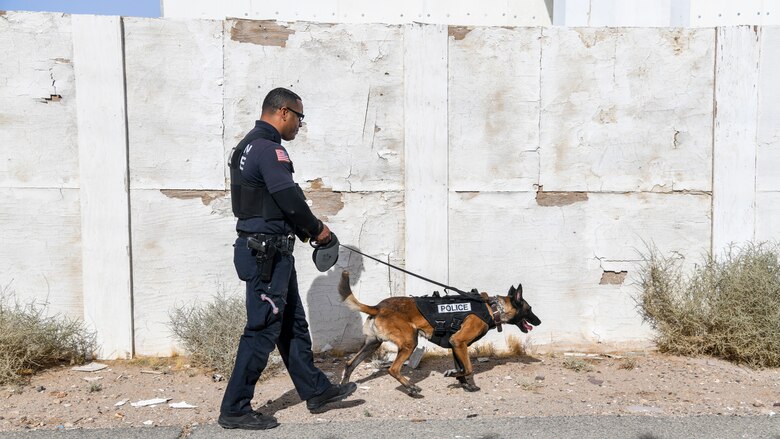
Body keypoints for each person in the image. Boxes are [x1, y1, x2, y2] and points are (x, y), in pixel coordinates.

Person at [219, 87, 356, 430]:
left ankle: (316, 390)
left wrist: (302, 231)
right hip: (266, 254)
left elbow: (271, 201)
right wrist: (318, 230)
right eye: (299, 117)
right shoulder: (269, 149)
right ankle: (235, 408)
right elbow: (288, 200)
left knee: (292, 324)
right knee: (262, 329)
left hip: (270, 251)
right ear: (282, 112)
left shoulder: (246, 146)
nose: (299, 125)